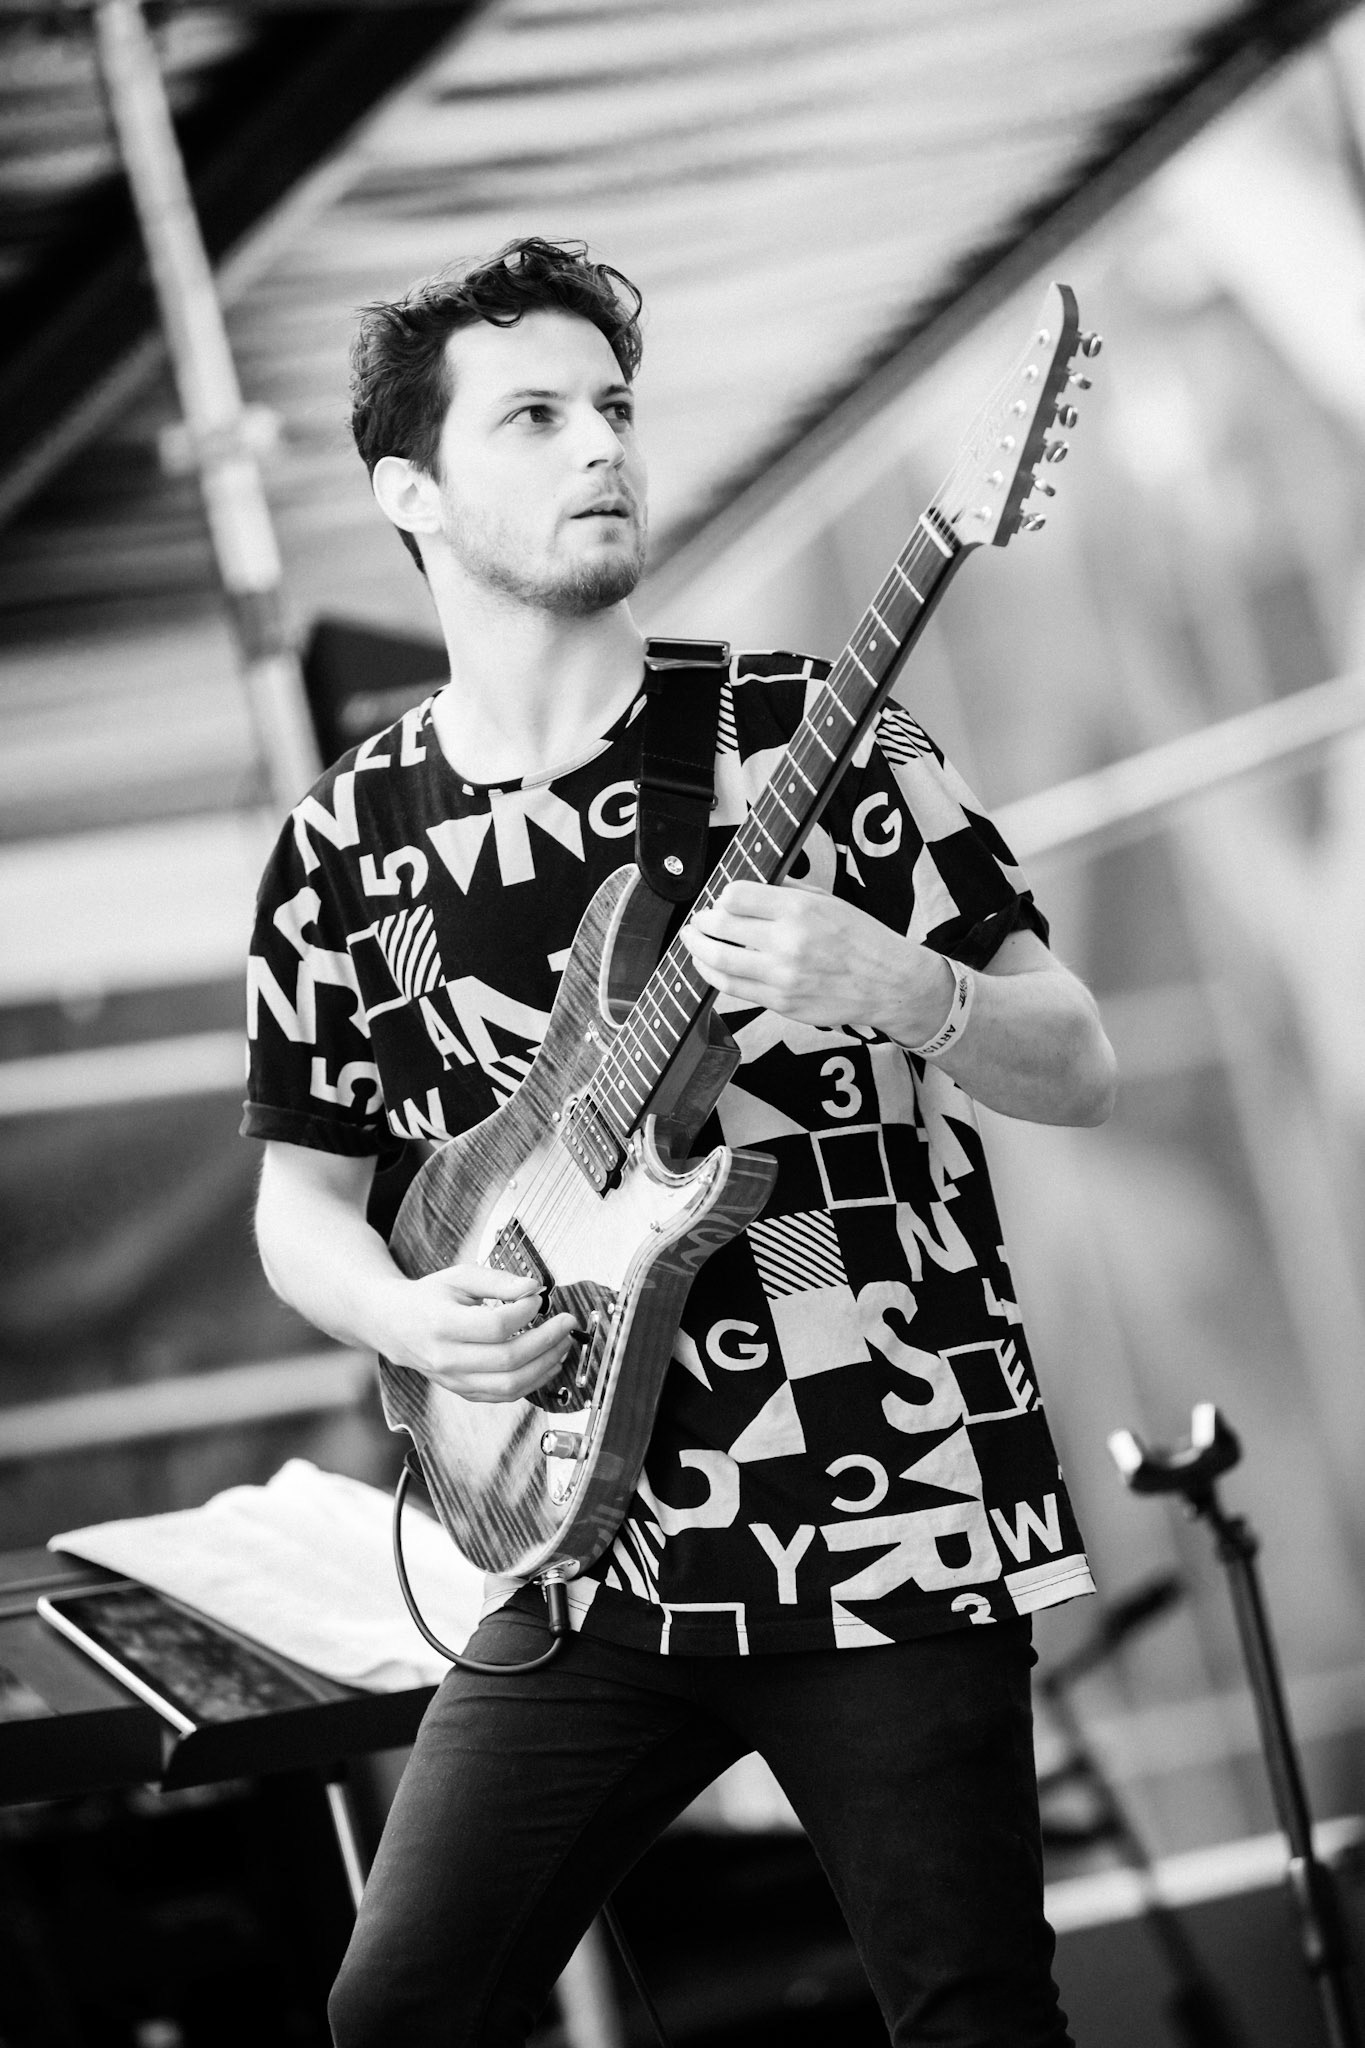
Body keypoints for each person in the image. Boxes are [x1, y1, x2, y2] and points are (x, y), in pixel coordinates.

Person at [243, 237, 1116, 2048]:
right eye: (537, 416)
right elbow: (298, 1203)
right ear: (408, 490)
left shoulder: (815, 730)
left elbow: (1075, 1057)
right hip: (580, 1556)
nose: (601, 450)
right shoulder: (345, 849)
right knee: (392, 2012)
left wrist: (891, 980)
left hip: (884, 1519)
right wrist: (411, 1327)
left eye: (617, 409)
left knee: (971, 2018)